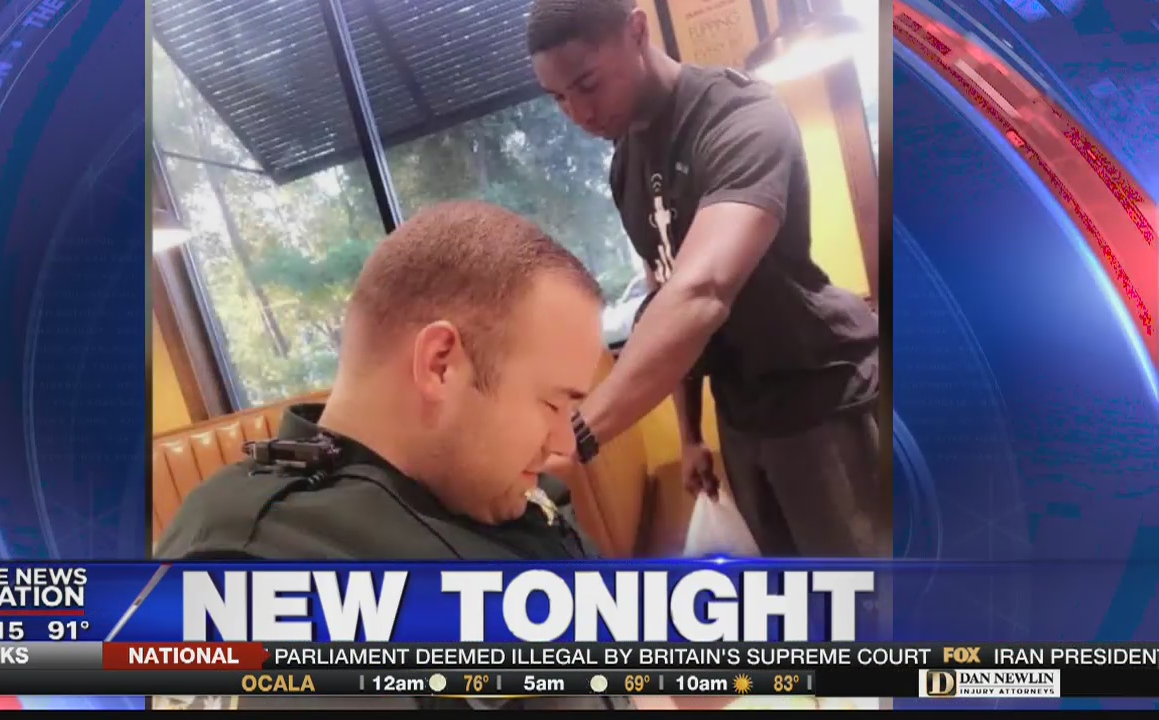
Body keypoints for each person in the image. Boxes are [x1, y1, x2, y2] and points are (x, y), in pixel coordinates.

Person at [154, 201, 631, 710]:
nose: (563, 442)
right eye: (553, 403)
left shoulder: (503, 490)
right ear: (441, 365)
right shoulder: (253, 576)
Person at [527, 0, 885, 557]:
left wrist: (579, 432)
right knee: (797, 600)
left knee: (868, 600)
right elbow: (666, 297)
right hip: (741, 414)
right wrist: (691, 433)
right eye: (558, 99)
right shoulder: (626, 164)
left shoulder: (739, 117)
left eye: (588, 84)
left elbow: (703, 290)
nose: (578, 113)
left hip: (819, 398)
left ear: (638, 31)